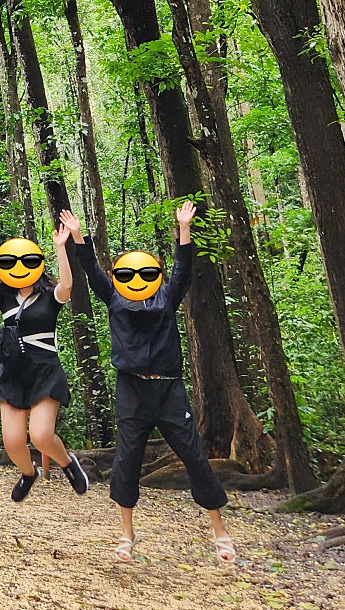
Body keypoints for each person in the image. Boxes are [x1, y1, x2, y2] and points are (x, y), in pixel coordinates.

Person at [60, 200, 235, 562]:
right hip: (132, 389)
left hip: (168, 389)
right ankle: (126, 535)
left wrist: (183, 228)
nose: (134, 279)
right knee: (127, 460)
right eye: (127, 274)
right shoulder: (114, 298)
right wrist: (78, 236)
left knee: (195, 457)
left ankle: (221, 533)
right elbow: (92, 270)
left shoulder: (166, 298)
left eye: (143, 273)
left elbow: (183, 270)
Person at [0, 215, 90, 501]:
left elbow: (67, 285)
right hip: (12, 372)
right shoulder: (3, 295)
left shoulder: (50, 296)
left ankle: (67, 463)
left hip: (44, 369)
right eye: (12, 262)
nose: (19, 268)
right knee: (12, 442)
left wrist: (61, 246)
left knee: (41, 435)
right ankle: (28, 473)